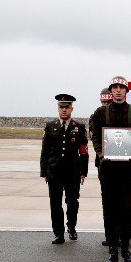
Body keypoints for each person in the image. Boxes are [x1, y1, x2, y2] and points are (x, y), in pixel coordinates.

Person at [91, 76, 131, 262]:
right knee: (110, 210)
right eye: (115, 87)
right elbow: (95, 136)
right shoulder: (100, 113)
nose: (118, 90)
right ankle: (113, 249)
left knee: (127, 209)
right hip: (108, 169)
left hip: (129, 169)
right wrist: (100, 153)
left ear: (126, 91)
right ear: (111, 91)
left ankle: (126, 248)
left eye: (122, 87)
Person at [40, 93, 89, 244]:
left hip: (72, 172)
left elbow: (84, 151)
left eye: (67, 107)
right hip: (54, 172)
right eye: (61, 107)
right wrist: (44, 171)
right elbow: (45, 150)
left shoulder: (79, 128)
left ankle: (72, 228)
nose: (64, 110)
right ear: (58, 108)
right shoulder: (50, 126)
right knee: (55, 203)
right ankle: (58, 233)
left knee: (72, 202)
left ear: (71, 108)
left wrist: (83, 171)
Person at [89, 87, 113, 246]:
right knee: (107, 200)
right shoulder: (95, 117)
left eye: (108, 102)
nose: (105, 104)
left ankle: (124, 232)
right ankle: (109, 235)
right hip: (103, 162)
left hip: (123, 163)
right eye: (103, 102)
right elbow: (94, 136)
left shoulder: (120, 115)